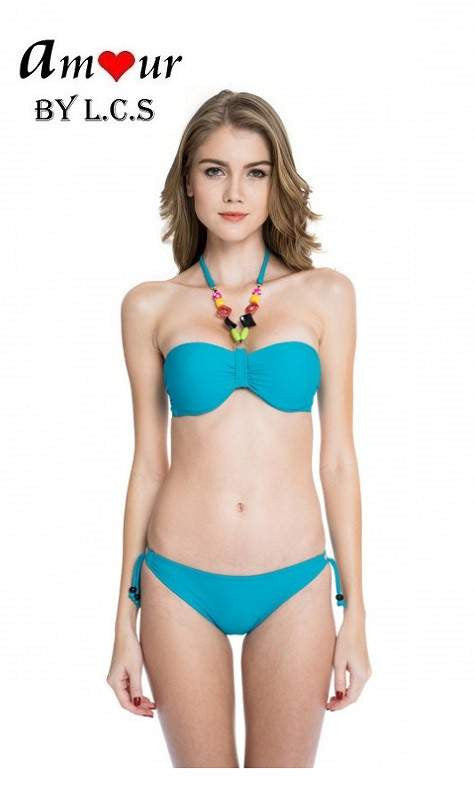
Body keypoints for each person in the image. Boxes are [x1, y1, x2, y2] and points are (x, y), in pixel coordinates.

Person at [106, 89, 372, 768]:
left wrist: (356, 614)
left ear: (276, 184)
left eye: (255, 172)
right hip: (177, 582)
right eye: (214, 170)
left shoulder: (326, 295)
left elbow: (339, 460)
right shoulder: (149, 306)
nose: (234, 192)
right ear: (187, 183)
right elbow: (147, 464)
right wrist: (122, 622)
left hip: (295, 581)